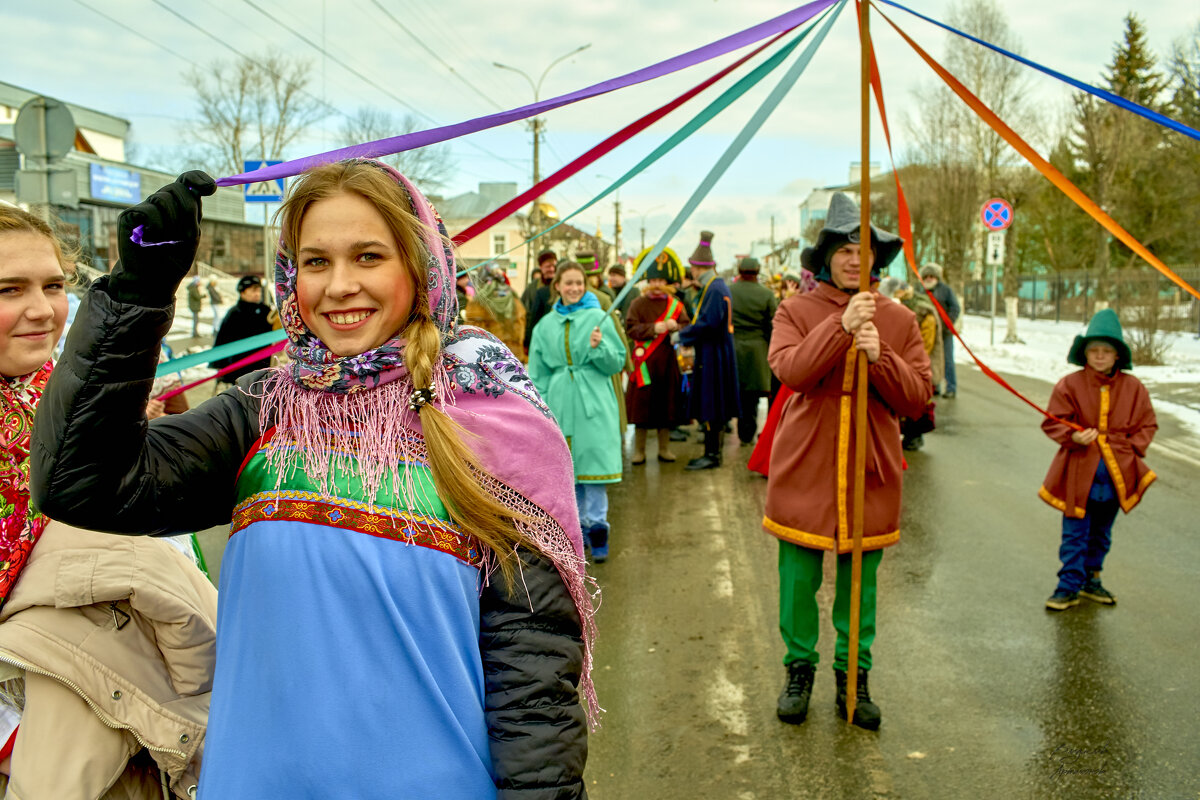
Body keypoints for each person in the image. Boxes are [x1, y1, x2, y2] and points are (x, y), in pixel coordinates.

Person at [31, 161, 595, 797]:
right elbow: (83, 481)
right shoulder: (262, 411)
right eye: (316, 262)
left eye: (368, 256)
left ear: (421, 265)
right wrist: (138, 295)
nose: (340, 285)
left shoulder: (491, 420)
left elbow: (531, 675)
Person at [0, 204, 215, 798]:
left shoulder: (65, 396)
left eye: (53, 285)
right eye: (8, 290)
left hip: (126, 713)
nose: (42, 310)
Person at [765, 193, 930, 731]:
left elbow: (916, 399)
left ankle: (853, 677)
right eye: (844, 248)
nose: (855, 259)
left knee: (861, 585)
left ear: (878, 260)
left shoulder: (900, 318)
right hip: (806, 463)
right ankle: (799, 670)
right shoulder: (794, 310)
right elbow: (792, 373)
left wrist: (880, 358)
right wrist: (838, 330)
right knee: (798, 581)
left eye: (865, 250)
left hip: (871, 465)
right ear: (827, 256)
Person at [1039, 309, 1156, 611]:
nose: (1100, 356)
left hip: (1117, 477)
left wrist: (1131, 448)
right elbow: (1054, 420)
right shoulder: (1070, 384)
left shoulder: (1134, 388)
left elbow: (1147, 424)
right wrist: (1072, 437)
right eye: (1094, 350)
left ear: (1118, 355)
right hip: (1079, 474)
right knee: (1075, 533)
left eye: (1107, 351)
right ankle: (1068, 586)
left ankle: (1092, 578)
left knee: (1102, 534)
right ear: (1085, 353)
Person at [527, 261, 626, 563]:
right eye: (568, 283)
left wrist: (599, 347)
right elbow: (538, 371)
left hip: (592, 400)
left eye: (579, 283)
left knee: (594, 469)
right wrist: (540, 407)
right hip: (559, 399)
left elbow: (617, 362)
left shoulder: (599, 317)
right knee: (568, 471)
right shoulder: (545, 325)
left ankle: (598, 531)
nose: (574, 289)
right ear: (557, 285)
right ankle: (575, 533)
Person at [676, 231, 739, 470]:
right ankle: (712, 452)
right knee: (714, 402)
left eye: (692, 268)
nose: (691, 272)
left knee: (712, 403)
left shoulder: (714, 289)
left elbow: (709, 324)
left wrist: (682, 335)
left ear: (697, 268)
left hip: (714, 355)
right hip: (717, 352)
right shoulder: (717, 286)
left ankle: (712, 455)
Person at [624, 249, 691, 465]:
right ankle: (639, 451)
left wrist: (676, 327)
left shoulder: (676, 305)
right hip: (645, 364)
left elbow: (687, 327)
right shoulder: (637, 304)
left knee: (666, 406)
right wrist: (654, 328)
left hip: (668, 363)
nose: (656, 284)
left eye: (660, 279)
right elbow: (631, 328)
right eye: (653, 279)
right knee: (642, 409)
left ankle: (664, 449)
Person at [879, 277, 940, 451]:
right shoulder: (898, 306)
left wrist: (915, 358)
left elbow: (925, 341)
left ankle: (915, 436)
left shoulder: (921, 309)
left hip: (916, 361)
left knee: (917, 403)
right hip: (902, 359)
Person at [729, 257, 778, 445]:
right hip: (758, 349)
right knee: (753, 396)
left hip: (734, 346)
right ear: (757, 271)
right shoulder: (766, 294)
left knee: (738, 393)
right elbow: (772, 325)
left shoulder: (730, 291)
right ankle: (749, 432)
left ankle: (742, 431)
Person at [210, 274, 274, 388]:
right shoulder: (234, 314)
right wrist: (221, 367)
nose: (257, 293)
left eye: (259, 290)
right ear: (242, 292)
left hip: (264, 367)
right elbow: (222, 340)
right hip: (240, 369)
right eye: (253, 290)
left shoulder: (266, 311)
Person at [464, 264, 527, 362]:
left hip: (488, 361)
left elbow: (471, 335)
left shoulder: (478, 302)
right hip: (513, 358)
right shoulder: (514, 298)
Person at [919, 263, 960, 398]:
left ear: (937, 277)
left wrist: (948, 323)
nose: (929, 279)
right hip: (928, 333)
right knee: (930, 359)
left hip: (945, 333)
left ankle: (951, 387)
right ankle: (934, 386)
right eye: (927, 276)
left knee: (947, 360)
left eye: (932, 276)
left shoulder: (945, 290)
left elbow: (955, 308)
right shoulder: (920, 290)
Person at [522, 249, 557, 355]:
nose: (551, 269)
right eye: (547, 267)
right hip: (538, 337)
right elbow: (526, 314)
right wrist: (527, 341)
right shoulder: (532, 288)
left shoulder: (562, 285)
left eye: (553, 266)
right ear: (541, 268)